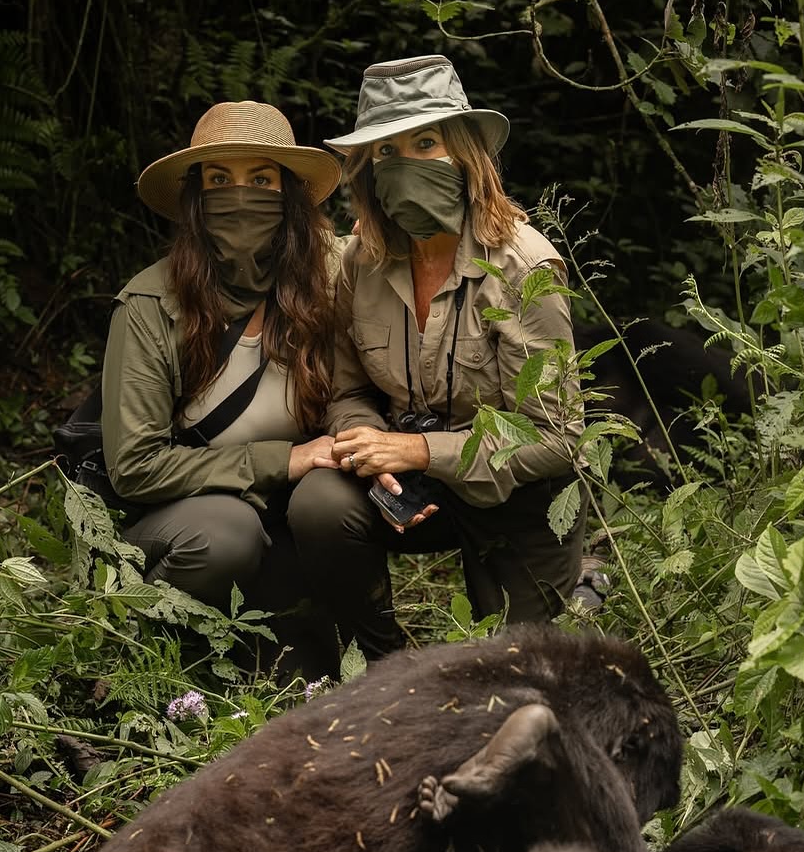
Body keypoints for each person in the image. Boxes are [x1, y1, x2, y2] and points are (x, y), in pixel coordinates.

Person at [287, 55, 586, 660]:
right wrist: (370, 445)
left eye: (425, 143)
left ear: (466, 155)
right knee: (320, 505)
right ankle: (380, 659)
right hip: (411, 485)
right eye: (386, 154)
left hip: (513, 495)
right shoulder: (361, 262)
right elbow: (348, 388)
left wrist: (421, 449)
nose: (405, 167)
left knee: (516, 671)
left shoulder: (524, 267)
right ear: (367, 174)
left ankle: (587, 585)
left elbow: (557, 438)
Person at [102, 100, 342, 680]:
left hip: (285, 517)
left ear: (288, 193)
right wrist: (283, 459)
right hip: (180, 521)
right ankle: (153, 656)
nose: (240, 195)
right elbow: (135, 468)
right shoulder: (150, 304)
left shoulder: (335, 278)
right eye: (219, 180)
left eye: (260, 179)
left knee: (304, 677)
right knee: (225, 534)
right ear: (194, 198)